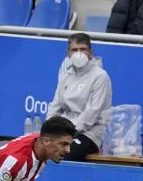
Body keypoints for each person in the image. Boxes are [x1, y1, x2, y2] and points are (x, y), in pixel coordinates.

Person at [47, 33, 112, 161]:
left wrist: (66, 134)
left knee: (65, 153)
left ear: (90, 52)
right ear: (68, 53)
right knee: (39, 147)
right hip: (63, 132)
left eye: (83, 49)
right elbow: (55, 105)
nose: (79, 53)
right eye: (74, 50)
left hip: (89, 134)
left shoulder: (100, 76)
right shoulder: (66, 75)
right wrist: (49, 129)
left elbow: (91, 114)